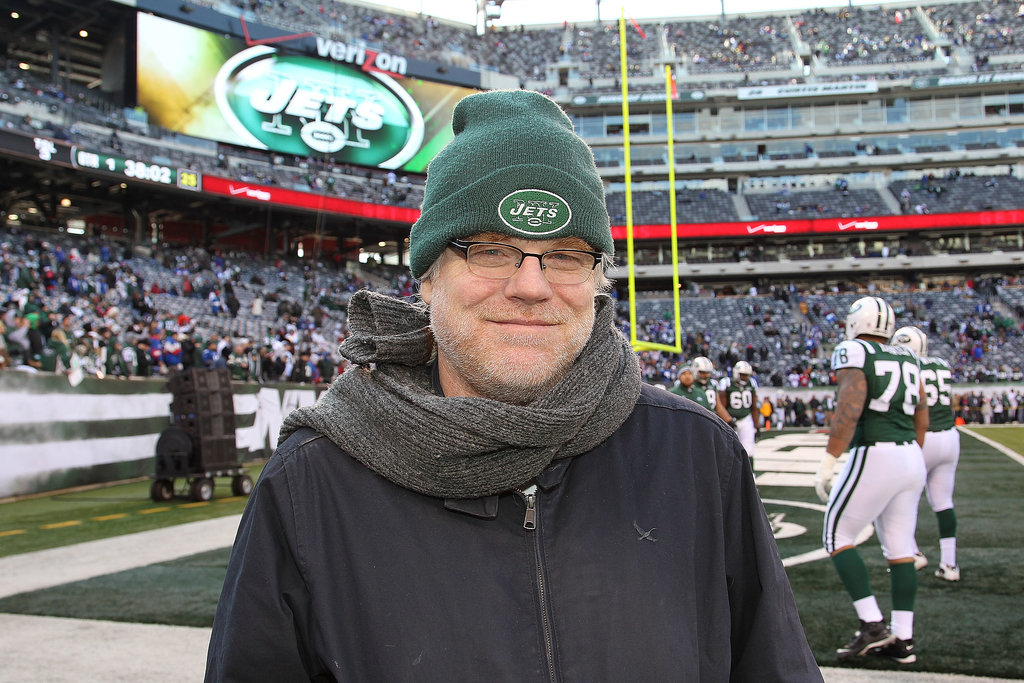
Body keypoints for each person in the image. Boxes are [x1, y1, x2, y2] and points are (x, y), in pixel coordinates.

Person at [206, 89, 821, 682]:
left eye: (566, 254)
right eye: (491, 250)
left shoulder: (696, 455)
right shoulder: (313, 482)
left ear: (598, 279)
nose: (531, 286)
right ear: (427, 278)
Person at [813, 296, 927, 666]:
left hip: (875, 451)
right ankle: (904, 638)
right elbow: (922, 413)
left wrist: (830, 459)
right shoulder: (908, 356)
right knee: (900, 547)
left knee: (835, 534)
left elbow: (850, 405)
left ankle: (872, 625)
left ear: (854, 322)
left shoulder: (853, 351)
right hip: (910, 452)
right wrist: (911, 454)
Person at [892, 325, 961, 582]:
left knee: (900, 499)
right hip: (950, 437)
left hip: (922, 437)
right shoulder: (942, 364)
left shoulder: (906, 365)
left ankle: (912, 553)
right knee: (944, 503)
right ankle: (950, 564)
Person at [717, 359, 760, 458]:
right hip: (730, 419)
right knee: (729, 451)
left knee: (748, 450)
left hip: (746, 418)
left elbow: (754, 407)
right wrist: (727, 420)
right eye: (742, 374)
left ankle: (750, 473)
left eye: (746, 375)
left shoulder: (752, 383)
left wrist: (757, 426)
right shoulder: (726, 383)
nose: (744, 377)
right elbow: (721, 406)